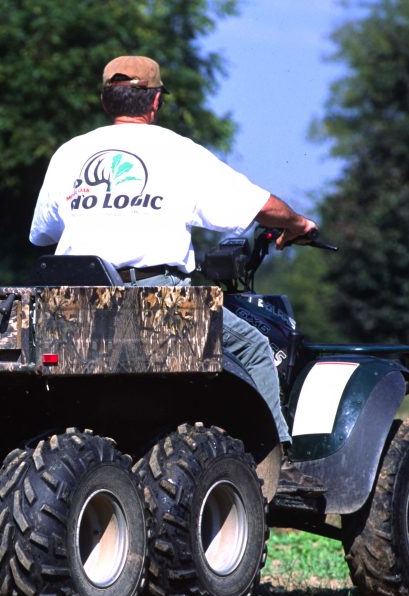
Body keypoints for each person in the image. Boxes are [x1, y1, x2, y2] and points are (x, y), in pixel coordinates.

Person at [29, 55, 323, 494]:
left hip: (74, 304)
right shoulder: (178, 152)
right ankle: (283, 468)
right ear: (156, 101)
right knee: (257, 348)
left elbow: (42, 234)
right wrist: (297, 223)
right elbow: (259, 206)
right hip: (155, 301)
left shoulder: (70, 153)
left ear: (107, 100)